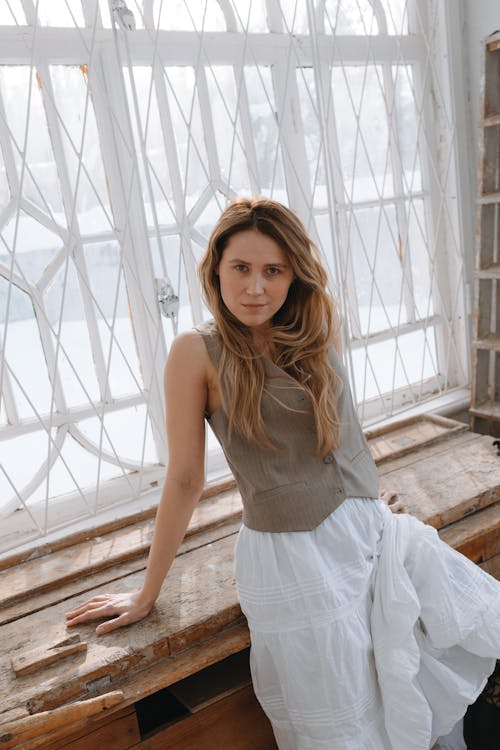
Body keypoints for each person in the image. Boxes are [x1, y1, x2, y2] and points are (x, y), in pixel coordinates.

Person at [66, 197, 500, 749]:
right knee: (347, 722)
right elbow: (184, 480)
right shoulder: (195, 352)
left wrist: (362, 491)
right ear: (215, 270)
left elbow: (341, 427)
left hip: (369, 535)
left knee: (442, 656)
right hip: (295, 563)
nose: (255, 288)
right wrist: (147, 593)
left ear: (293, 275)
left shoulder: (315, 324)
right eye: (240, 269)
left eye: (273, 271)